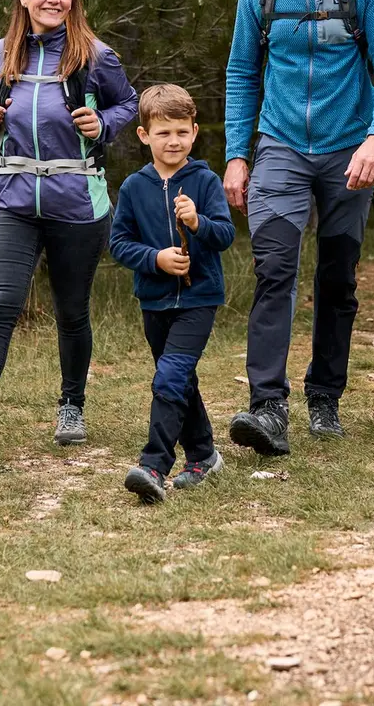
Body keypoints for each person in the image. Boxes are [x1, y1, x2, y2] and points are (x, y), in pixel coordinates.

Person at [223, 0, 374, 455]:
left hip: (349, 147)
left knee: (336, 275)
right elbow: (240, 74)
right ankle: (267, 407)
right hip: (279, 146)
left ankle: (324, 396)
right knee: (274, 267)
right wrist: (235, 153)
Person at [0, 0, 138, 456]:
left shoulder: (96, 55)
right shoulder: (1, 53)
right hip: (13, 196)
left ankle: (71, 404)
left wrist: (105, 125)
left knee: (71, 311)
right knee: (1, 304)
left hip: (77, 201)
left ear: (73, 2)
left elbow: (129, 104)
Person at [109, 85, 235, 503]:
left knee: (170, 377)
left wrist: (198, 223)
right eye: (163, 133)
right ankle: (203, 455)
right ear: (144, 135)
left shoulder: (205, 180)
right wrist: (156, 259)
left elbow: (225, 235)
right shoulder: (133, 187)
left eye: (182, 131)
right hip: (154, 300)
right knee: (180, 381)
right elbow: (119, 244)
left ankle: (153, 465)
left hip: (199, 299)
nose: (173, 141)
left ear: (194, 132)